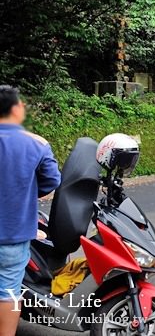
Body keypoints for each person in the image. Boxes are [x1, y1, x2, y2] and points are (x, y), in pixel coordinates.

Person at [0, 85, 61, 335]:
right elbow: (51, 180)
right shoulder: (36, 144)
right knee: (9, 291)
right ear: (16, 108)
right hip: (14, 234)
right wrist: (23, 193)